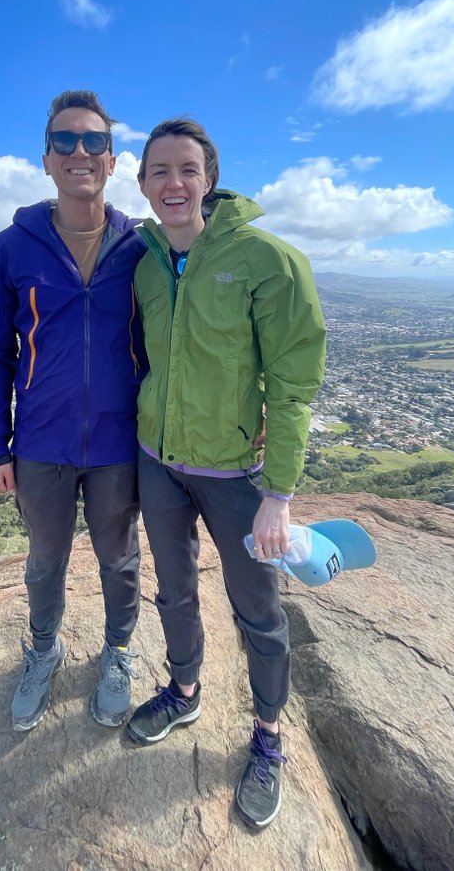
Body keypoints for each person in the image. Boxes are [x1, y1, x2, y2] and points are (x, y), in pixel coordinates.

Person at [126, 117, 326, 830]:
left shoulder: (267, 259)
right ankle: (185, 689)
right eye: (159, 171)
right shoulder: (145, 262)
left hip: (237, 475)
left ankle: (269, 737)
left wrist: (279, 493)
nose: (173, 183)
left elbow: (294, 382)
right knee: (174, 589)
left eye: (186, 169)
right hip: (158, 462)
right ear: (144, 183)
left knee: (260, 612)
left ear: (209, 178)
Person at [0, 90, 146, 732]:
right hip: (40, 443)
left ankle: (119, 652)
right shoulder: (10, 247)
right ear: (47, 159)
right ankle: (43, 651)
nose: (81, 152)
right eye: (66, 141)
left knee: (118, 558)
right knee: (45, 561)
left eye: (94, 141)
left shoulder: (139, 248)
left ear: (111, 159)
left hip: (117, 442)